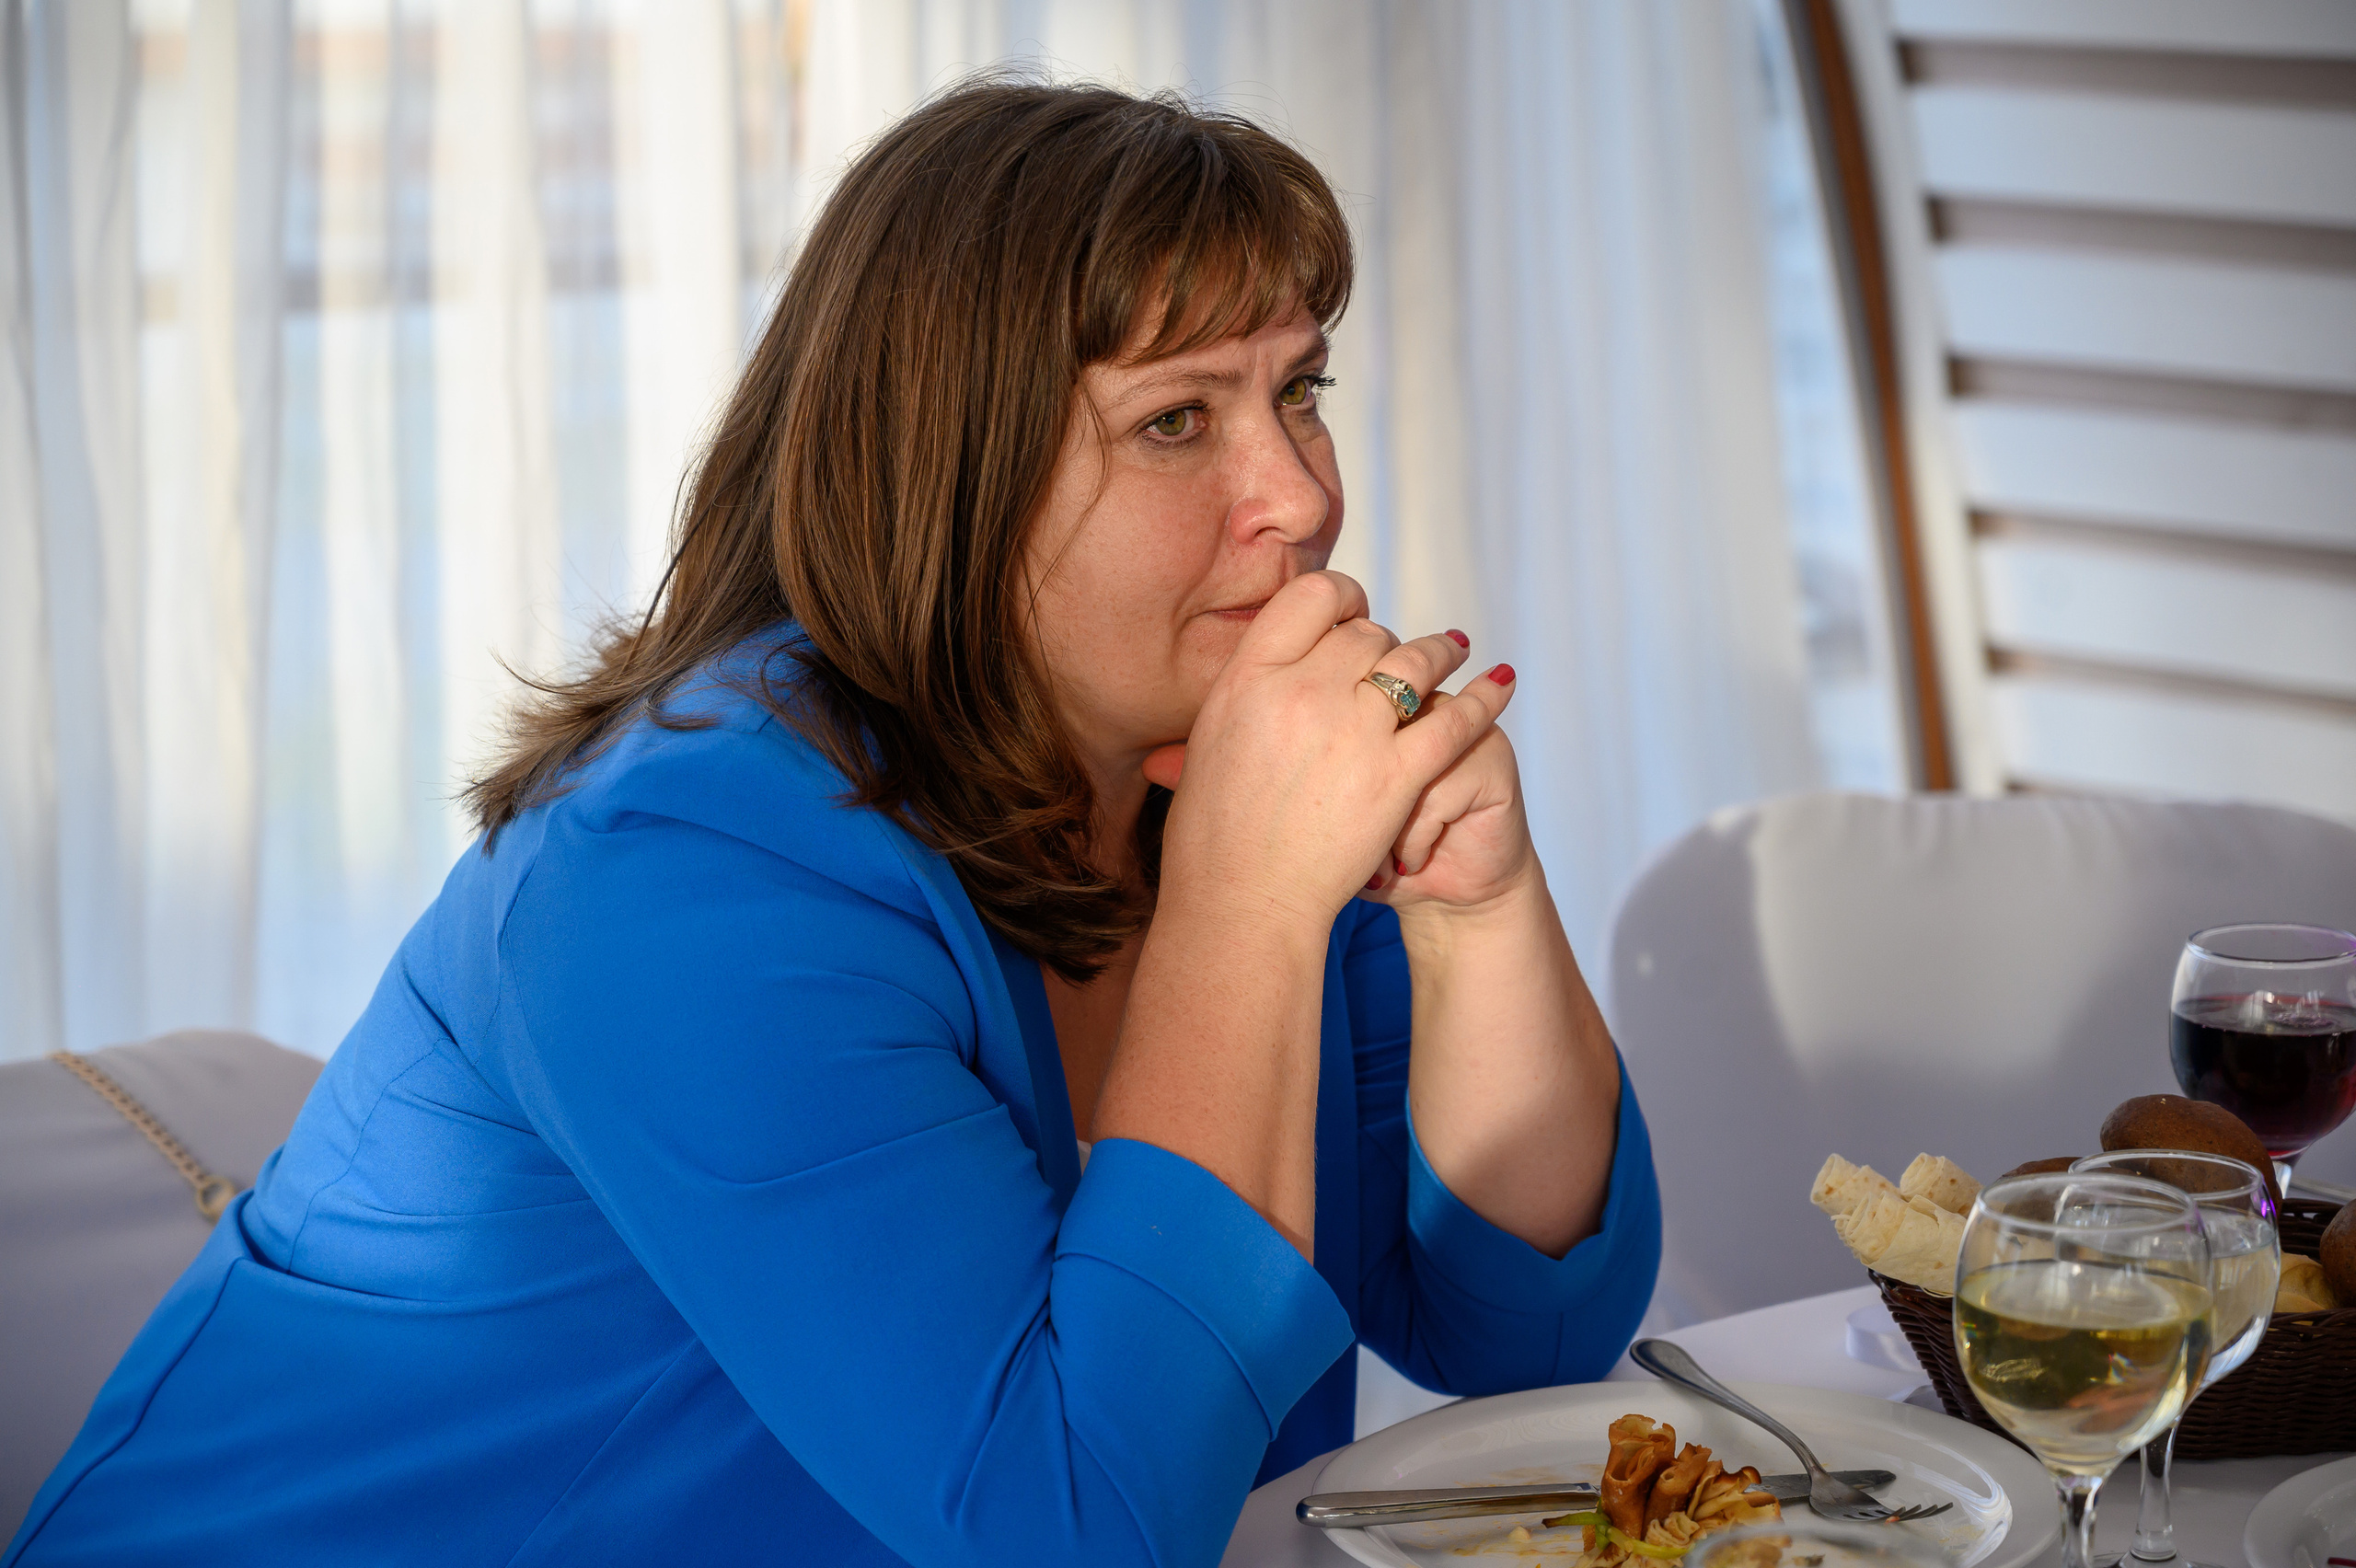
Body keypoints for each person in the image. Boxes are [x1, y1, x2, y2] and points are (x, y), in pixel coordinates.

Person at [6, 79, 1657, 1568]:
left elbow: (1521, 1336)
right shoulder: (684, 877)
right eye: (1178, 419)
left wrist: (1474, 910)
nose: (1299, 492)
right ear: (950, 471)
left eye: (1299, 389)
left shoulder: (1209, 783)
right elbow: (1075, 1527)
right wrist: (1249, 909)